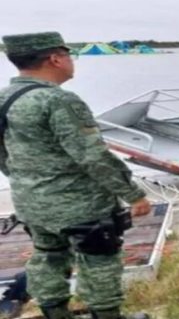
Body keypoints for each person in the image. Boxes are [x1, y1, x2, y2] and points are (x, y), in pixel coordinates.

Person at [1, 32, 152, 319]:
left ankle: (55, 313)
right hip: (80, 205)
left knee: (47, 256)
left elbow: (3, 154)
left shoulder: (4, 98)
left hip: (31, 203)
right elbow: (92, 155)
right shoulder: (59, 101)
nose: (72, 62)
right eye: (70, 55)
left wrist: (26, 182)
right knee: (100, 260)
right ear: (55, 58)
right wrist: (132, 194)